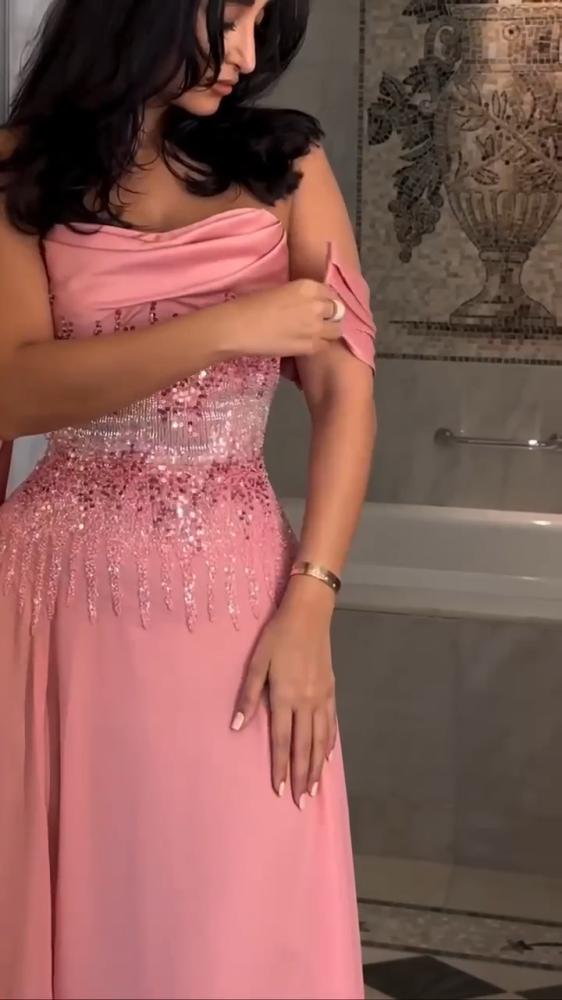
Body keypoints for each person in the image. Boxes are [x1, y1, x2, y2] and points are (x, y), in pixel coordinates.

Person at [0, 0, 377, 997]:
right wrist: (229, 326)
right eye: (229, 17)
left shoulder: (287, 163)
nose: (246, 54)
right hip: (53, 594)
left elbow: (345, 395)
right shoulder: (18, 170)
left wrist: (313, 603)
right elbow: (12, 390)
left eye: (263, 25)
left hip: (237, 595)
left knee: (236, 904)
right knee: (88, 900)